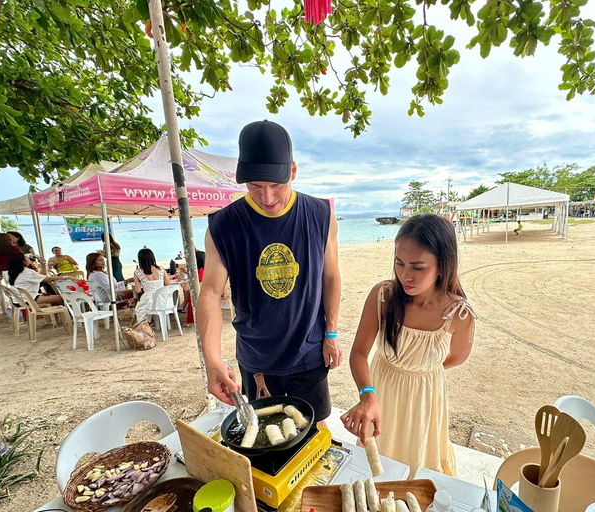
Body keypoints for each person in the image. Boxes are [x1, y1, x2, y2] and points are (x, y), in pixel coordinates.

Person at [197, 120, 341, 424]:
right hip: (256, 359)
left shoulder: (320, 215)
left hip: (309, 352)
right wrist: (211, 358)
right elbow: (210, 292)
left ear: (293, 171)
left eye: (276, 185)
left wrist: (331, 332)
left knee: (314, 432)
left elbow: (330, 277)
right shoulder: (224, 225)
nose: (268, 198)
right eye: (255, 187)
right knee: (263, 433)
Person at [340, 214, 476, 476]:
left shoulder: (459, 314)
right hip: (381, 393)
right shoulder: (383, 296)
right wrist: (367, 395)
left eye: (418, 267)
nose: (405, 275)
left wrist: (420, 368)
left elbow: (456, 357)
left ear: (443, 265)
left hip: (425, 400)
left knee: (418, 466)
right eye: (399, 263)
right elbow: (358, 352)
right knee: (377, 468)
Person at [7, 253, 73, 306]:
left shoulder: (13, 272)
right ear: (23, 261)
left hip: (17, 299)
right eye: (26, 257)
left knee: (54, 298)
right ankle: (69, 317)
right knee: (63, 298)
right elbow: (48, 279)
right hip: (28, 299)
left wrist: (43, 265)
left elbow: (42, 277)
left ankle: (57, 315)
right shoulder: (27, 272)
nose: (28, 257)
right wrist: (68, 277)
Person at [133, 248, 171, 323]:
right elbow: (168, 284)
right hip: (164, 300)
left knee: (139, 308)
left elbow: (138, 290)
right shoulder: (161, 269)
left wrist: (143, 283)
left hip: (149, 301)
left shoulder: (138, 272)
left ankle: (146, 325)